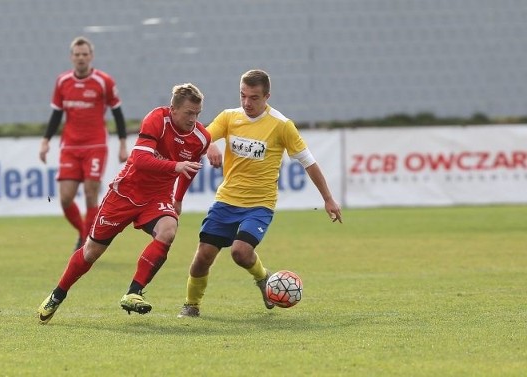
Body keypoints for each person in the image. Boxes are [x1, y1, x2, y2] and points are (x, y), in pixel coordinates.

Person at [38, 83, 211, 323]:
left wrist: (178, 198)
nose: (194, 119)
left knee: (168, 230)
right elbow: (140, 160)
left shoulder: (201, 138)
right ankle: (58, 294)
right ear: (173, 109)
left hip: (157, 197)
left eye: (198, 113)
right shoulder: (156, 120)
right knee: (91, 252)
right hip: (125, 193)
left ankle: (134, 292)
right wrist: (174, 166)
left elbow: (190, 169)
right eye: (189, 113)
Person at [177, 69, 343, 318]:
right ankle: (191, 304)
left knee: (240, 252)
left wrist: (328, 198)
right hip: (226, 200)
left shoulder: (281, 125)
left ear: (267, 96)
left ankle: (263, 277)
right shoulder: (229, 117)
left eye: (254, 97)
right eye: (243, 95)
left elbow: (308, 162)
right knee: (203, 256)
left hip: (259, 205)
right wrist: (209, 144)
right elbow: (201, 135)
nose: (247, 103)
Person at [39, 36, 129, 250]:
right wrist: (45, 141)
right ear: (71, 57)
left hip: (95, 146)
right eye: (77, 54)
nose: (81, 58)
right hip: (70, 146)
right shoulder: (63, 82)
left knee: (91, 193)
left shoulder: (103, 82)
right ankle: (83, 233)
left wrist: (123, 143)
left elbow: (117, 113)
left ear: (91, 56)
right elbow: (56, 114)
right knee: (65, 198)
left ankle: (86, 246)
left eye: (84, 54)